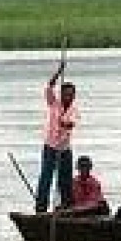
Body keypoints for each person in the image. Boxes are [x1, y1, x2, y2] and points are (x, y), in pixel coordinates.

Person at [35, 61, 78, 211]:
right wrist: (59, 72)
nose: (70, 97)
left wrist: (63, 123)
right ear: (62, 94)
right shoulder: (54, 103)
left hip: (64, 149)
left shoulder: (74, 110)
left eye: (72, 94)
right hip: (51, 146)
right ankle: (41, 207)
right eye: (67, 94)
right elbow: (49, 86)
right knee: (45, 177)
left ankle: (66, 206)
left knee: (65, 179)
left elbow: (71, 125)